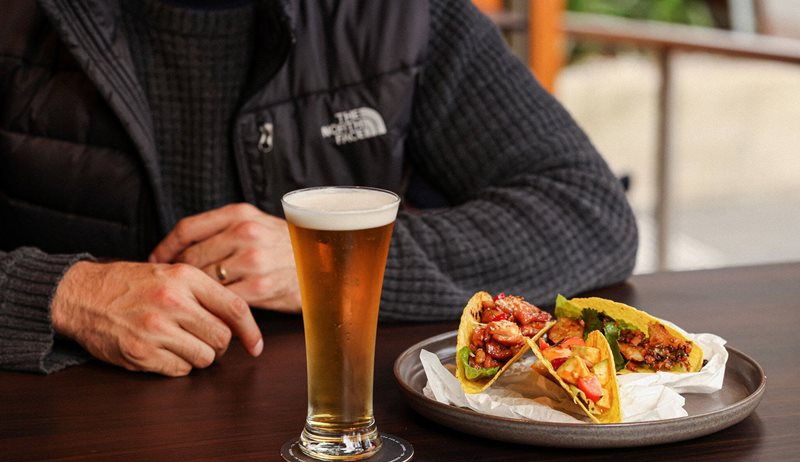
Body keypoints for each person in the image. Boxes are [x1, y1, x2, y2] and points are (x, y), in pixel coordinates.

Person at [0, 0, 638, 376]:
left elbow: (588, 210)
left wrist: (336, 261)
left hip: (344, 459)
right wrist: (66, 295)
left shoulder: (404, 15)